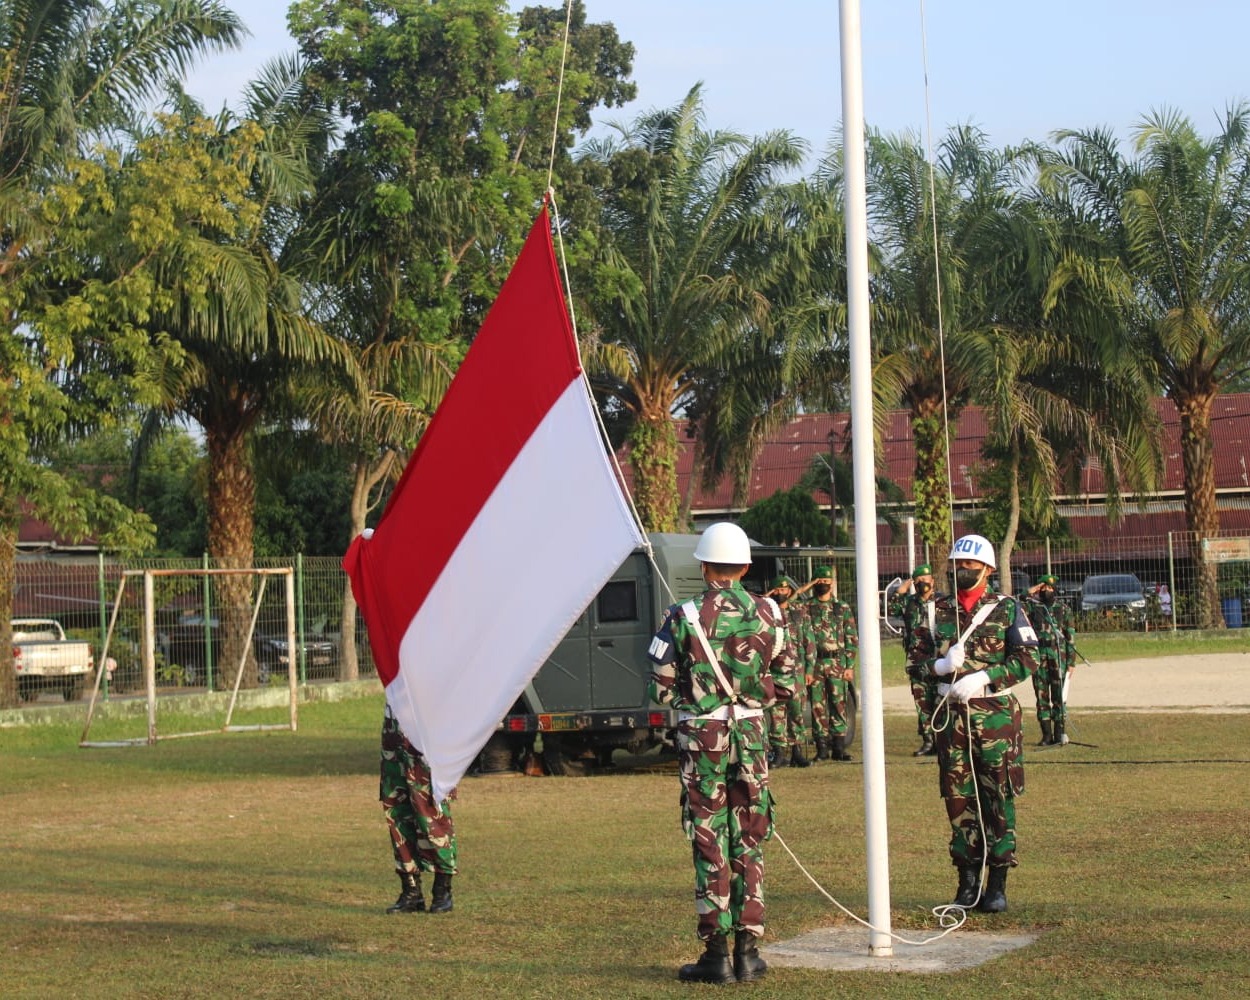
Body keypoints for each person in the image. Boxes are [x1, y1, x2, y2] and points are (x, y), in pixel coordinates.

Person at [647, 522, 797, 984]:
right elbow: (788, 684)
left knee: (709, 839)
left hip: (704, 743)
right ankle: (748, 951)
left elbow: (661, 689)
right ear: (746, 566)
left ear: (705, 565)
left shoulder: (682, 615)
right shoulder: (772, 613)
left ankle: (716, 955)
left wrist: (702, 703)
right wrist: (749, 696)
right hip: (751, 740)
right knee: (749, 838)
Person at [911, 534, 1039, 913]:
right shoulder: (934, 611)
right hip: (952, 721)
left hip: (995, 720)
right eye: (957, 565)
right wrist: (938, 667)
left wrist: (985, 678)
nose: (962, 571)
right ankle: (967, 881)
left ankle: (997, 883)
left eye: (970, 566)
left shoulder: (1006, 608)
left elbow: (1027, 658)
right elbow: (914, 665)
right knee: (958, 799)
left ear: (988, 570)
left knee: (998, 797)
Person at [380, 704, 458, 914]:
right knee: (397, 814)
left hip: (425, 740)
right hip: (394, 738)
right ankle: (411, 891)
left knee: (432, 815)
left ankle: (443, 891)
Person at [799, 564, 858, 762]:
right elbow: (790, 602)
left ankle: (839, 748)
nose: (824, 585)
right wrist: (808, 586)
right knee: (817, 706)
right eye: (820, 582)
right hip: (815, 663)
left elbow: (852, 637)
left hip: (837, 662)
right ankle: (822, 749)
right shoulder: (807, 607)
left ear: (832, 584)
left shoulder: (842, 608)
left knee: (839, 705)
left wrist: (850, 665)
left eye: (827, 581)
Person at [891, 563, 940, 756]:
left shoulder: (943, 601)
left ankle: (942, 740)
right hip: (917, 660)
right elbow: (891, 609)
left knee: (941, 699)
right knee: (922, 701)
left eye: (926, 580)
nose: (923, 583)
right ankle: (928, 741)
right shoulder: (909, 602)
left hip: (939, 658)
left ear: (932, 581)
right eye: (918, 581)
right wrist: (900, 591)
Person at [764, 575, 812, 769]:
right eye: (777, 590)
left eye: (784, 590)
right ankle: (778, 753)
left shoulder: (799, 612)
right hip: (774, 671)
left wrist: (809, 669)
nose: (781, 593)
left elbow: (809, 643)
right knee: (776, 713)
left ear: (789, 592)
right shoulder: (766, 614)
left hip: (797, 671)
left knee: (796, 711)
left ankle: (796, 752)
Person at [1024, 573, 1077, 746]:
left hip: (1058, 658)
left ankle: (1059, 733)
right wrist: (1031, 591)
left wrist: (1071, 662)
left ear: (1055, 590)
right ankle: (1046, 735)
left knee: (1059, 696)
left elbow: (1070, 637)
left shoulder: (1063, 608)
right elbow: (1016, 602)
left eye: (1050, 588)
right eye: (1044, 587)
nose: (1047, 590)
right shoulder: (1033, 607)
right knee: (1041, 696)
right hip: (1040, 658)